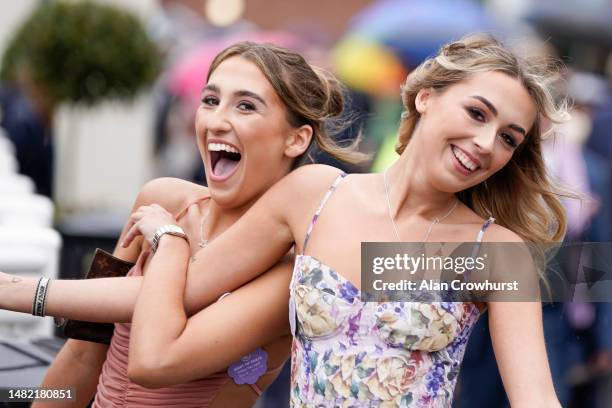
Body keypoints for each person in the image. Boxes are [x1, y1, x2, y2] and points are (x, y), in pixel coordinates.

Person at [119, 34, 568, 407]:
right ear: (427, 98)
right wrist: (49, 293)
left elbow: (536, 398)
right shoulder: (319, 196)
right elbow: (179, 302)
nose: (488, 143)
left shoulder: (495, 254)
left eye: (509, 138)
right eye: (477, 113)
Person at [0, 41, 365, 407]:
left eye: (245, 106)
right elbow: (82, 354)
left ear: (295, 139)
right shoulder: (160, 199)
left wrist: (170, 241)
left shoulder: (291, 272)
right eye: (210, 100)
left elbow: (156, 359)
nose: (216, 121)